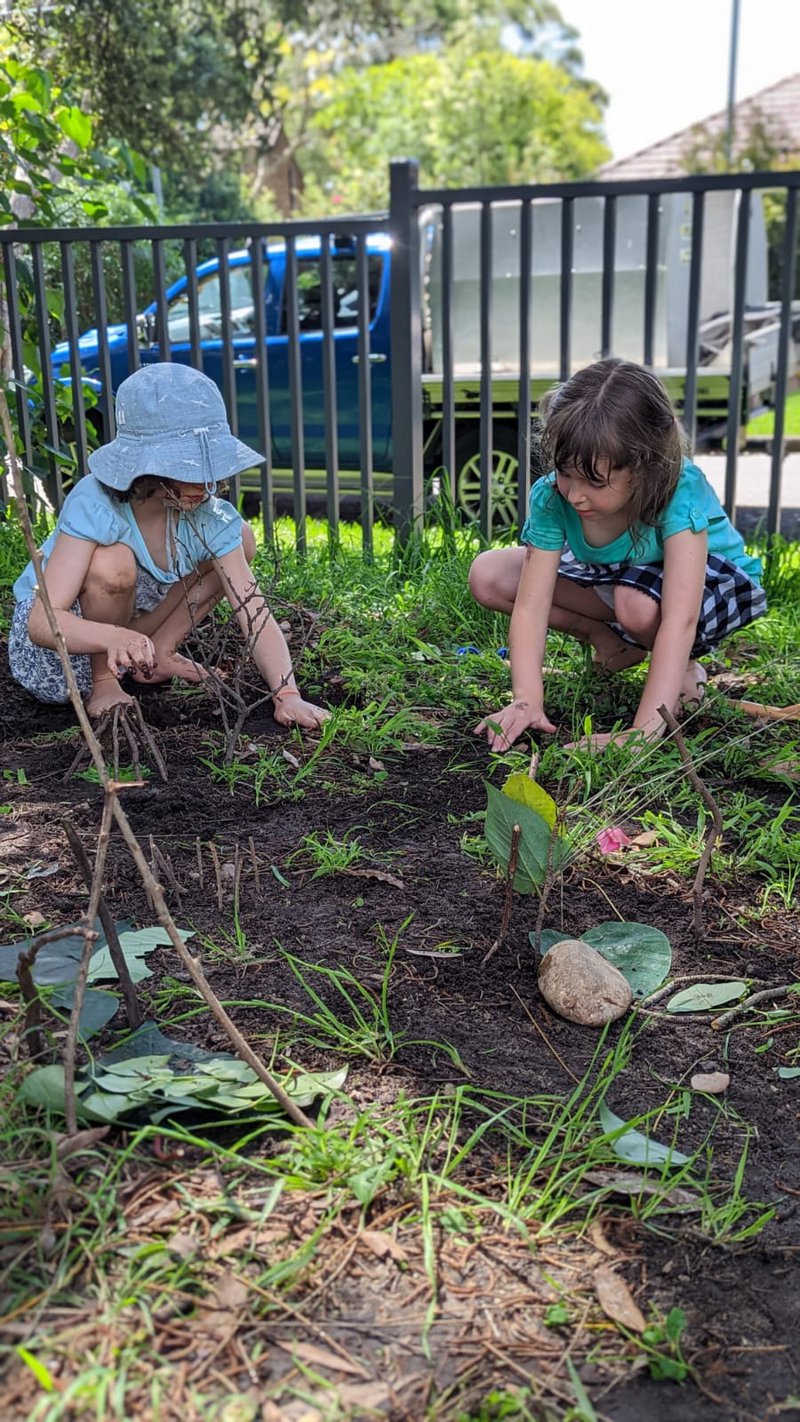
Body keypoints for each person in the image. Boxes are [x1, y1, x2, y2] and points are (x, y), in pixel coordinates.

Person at [9, 362, 329, 730]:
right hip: (61, 655)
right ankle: (104, 683)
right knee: (114, 560)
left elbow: (252, 608)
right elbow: (42, 622)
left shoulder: (208, 514)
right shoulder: (96, 502)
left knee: (239, 536)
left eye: (207, 467)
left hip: (132, 641)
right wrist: (114, 638)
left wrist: (286, 695)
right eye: (187, 468)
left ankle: (161, 653)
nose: (204, 483)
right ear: (147, 466)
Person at [470, 358, 767, 753]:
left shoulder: (677, 490)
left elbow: (681, 617)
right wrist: (527, 699)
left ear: (644, 467)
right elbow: (531, 602)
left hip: (713, 582)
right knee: (489, 575)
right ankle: (612, 642)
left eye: (594, 481)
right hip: (621, 572)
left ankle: (684, 670)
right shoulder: (553, 497)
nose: (574, 494)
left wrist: (641, 734)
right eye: (565, 473)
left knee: (637, 604)